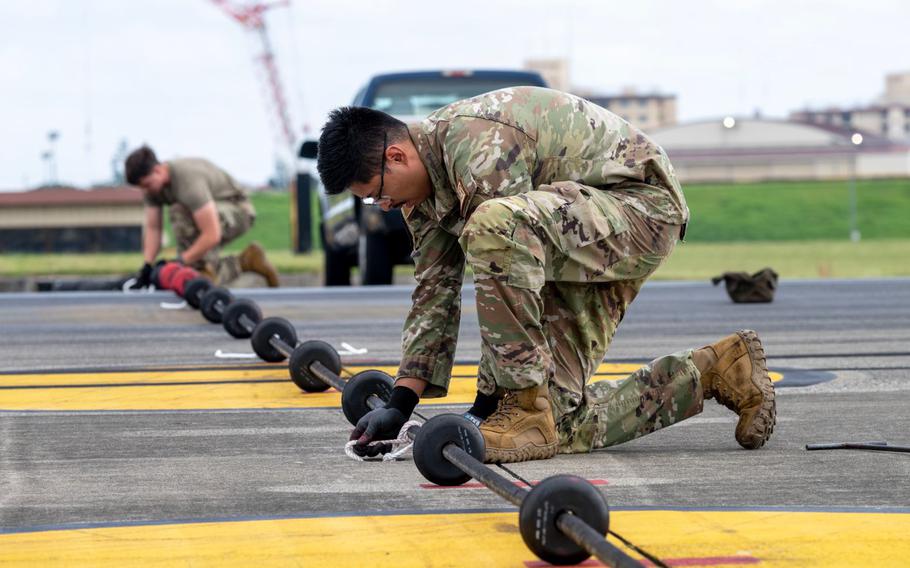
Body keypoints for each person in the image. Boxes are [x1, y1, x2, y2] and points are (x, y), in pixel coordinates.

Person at [316, 87, 776, 463]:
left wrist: (486, 408)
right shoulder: (422, 193)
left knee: (494, 229)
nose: (384, 206)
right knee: (558, 428)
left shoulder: (476, 145)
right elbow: (434, 293)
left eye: (375, 195)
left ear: (395, 157)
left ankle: (524, 408)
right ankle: (718, 369)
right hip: (573, 237)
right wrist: (401, 404)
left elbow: (503, 254)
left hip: (640, 213)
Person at [124, 145, 280, 288]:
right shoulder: (152, 189)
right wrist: (147, 265)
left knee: (179, 214)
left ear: (158, 170)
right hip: (210, 216)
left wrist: (180, 262)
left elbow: (212, 233)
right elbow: (153, 228)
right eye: (141, 187)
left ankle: (204, 275)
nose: (145, 191)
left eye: (147, 185)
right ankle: (248, 261)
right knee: (197, 269)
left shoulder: (187, 181)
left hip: (238, 211)